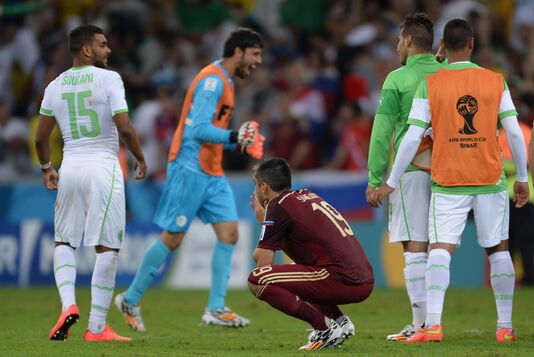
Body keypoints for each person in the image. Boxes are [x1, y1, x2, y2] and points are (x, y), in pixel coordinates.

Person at [372, 19, 529, 343]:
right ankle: (505, 327)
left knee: (440, 250)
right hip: (489, 179)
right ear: (472, 43)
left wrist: (390, 180)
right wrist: (523, 178)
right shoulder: (494, 80)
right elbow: (514, 131)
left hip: (449, 180)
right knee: (499, 251)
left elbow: (412, 137)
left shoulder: (432, 84)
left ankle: (431, 325)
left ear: (443, 45)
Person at [115, 27, 265, 331]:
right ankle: (130, 298)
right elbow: (197, 130)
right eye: (255, 54)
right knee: (173, 238)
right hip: (190, 168)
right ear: (238, 52)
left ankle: (215, 308)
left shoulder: (225, 79)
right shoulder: (212, 82)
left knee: (230, 235)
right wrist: (237, 137)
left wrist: (234, 139)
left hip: (211, 170)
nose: (259, 61)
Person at [35, 25, 147, 341]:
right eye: (102, 44)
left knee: (64, 240)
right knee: (107, 245)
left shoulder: (54, 85)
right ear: (86, 49)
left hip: (69, 166)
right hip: (103, 165)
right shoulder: (109, 79)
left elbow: (41, 136)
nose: (108, 49)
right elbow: (123, 126)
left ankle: (68, 305)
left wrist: (47, 168)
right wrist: (139, 156)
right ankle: (97, 328)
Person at [366, 12, 445, 341]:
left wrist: (374, 179)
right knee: (438, 245)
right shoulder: (446, 73)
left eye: (399, 40)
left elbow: (382, 132)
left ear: (409, 41)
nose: (397, 46)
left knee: (414, 246)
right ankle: (431, 321)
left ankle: (420, 324)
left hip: (409, 171)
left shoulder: (397, 79)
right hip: (447, 173)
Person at [248, 158, 374, 350]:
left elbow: (263, 265)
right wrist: (266, 224)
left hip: (340, 278)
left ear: (264, 187)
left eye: (256, 184)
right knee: (299, 273)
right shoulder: (307, 195)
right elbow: (300, 250)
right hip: (364, 279)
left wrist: (264, 224)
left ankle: (323, 327)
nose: (255, 190)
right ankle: (338, 321)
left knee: (256, 279)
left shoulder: (278, 205)